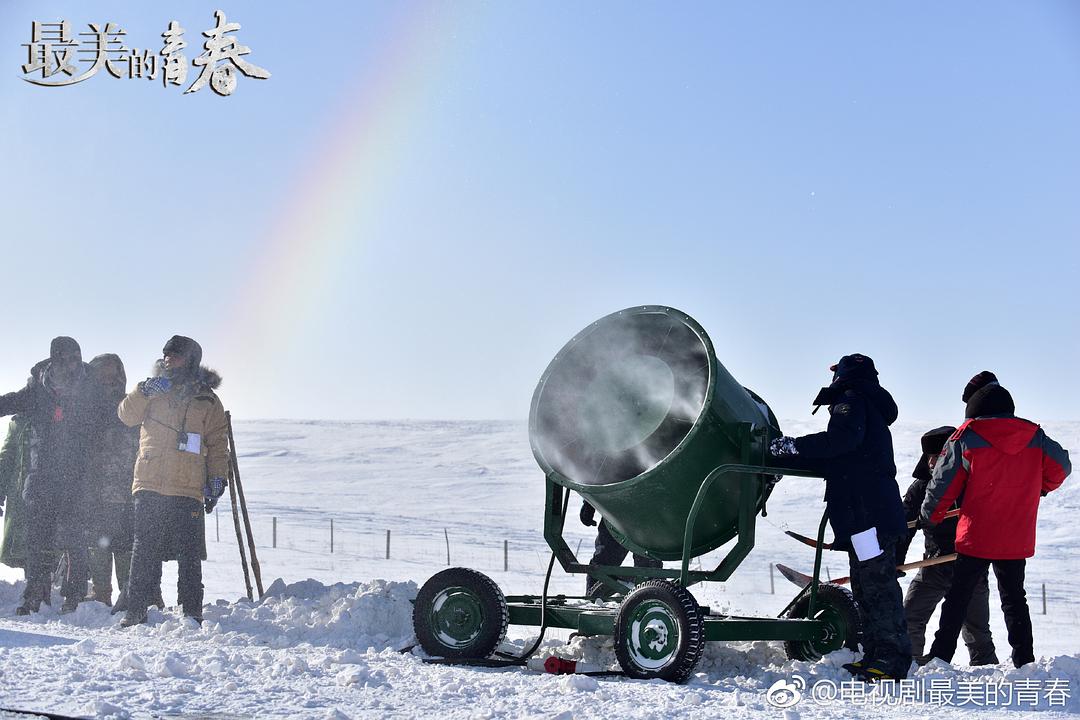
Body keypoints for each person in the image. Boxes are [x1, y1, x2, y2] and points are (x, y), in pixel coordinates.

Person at [769, 353, 912, 681]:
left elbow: (839, 441)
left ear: (844, 377)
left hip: (868, 517)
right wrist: (786, 457)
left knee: (877, 587)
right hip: (867, 518)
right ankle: (878, 656)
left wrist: (790, 446)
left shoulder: (852, 400)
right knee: (867, 586)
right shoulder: (867, 406)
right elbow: (837, 457)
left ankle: (890, 660)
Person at [921, 382, 1070, 668]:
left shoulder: (966, 436)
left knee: (958, 597)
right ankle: (1024, 661)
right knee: (1015, 599)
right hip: (1016, 534)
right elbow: (1061, 466)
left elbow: (944, 483)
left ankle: (940, 657)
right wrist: (1042, 487)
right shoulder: (1034, 436)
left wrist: (931, 515)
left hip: (977, 533)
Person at [117, 336, 228, 627]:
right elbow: (126, 416)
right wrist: (142, 391)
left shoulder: (208, 400)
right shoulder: (150, 391)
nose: (168, 361)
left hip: (188, 487)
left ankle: (192, 613)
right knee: (143, 551)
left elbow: (218, 444)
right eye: (166, 356)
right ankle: (135, 610)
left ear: (190, 360)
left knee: (189, 555)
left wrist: (218, 479)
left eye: (175, 357)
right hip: (150, 482)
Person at [0, 338, 107, 614]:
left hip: (77, 477)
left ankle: (74, 595)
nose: (73, 364)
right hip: (42, 476)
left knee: (75, 538)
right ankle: (36, 592)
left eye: (76, 357)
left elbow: (113, 415)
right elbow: (10, 402)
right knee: (39, 539)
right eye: (67, 359)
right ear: (54, 360)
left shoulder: (91, 389)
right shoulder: (38, 388)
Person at [899, 426, 997, 665]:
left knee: (977, 631)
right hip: (933, 566)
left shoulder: (974, 484)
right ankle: (907, 666)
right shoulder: (921, 488)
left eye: (938, 457)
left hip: (971, 568)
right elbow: (905, 527)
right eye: (929, 457)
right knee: (910, 617)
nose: (932, 462)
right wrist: (896, 561)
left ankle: (985, 672)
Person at [84, 354, 139, 606]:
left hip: (128, 488)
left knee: (126, 542)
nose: (108, 379)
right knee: (98, 541)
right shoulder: (86, 409)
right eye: (102, 374)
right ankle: (101, 592)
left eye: (112, 373)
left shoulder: (130, 407)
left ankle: (128, 592)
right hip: (95, 489)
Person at [579, 500, 662, 597]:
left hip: (647, 510)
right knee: (604, 563)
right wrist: (589, 503)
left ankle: (653, 598)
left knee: (648, 568)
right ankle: (593, 600)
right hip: (617, 508)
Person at [0, 414, 33, 571]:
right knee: (17, 552)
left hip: (50, 492)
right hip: (20, 493)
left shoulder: (62, 414)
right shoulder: (18, 422)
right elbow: (6, 459)